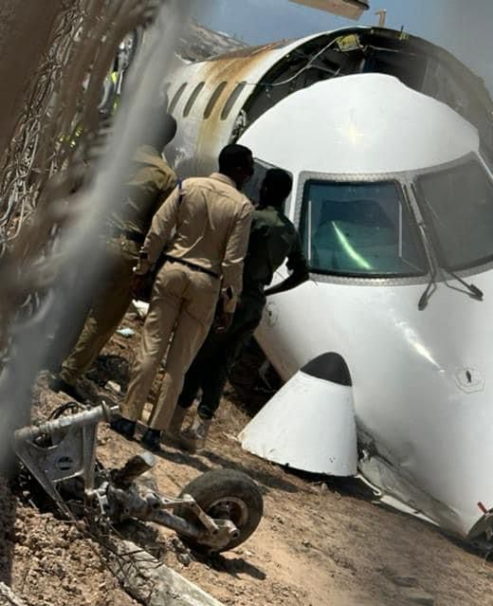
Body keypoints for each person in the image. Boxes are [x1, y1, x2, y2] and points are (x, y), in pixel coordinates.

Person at [110, 144, 255, 451]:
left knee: (151, 346)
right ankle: (155, 430)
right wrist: (229, 304)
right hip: (206, 283)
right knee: (180, 361)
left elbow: (159, 229)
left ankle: (127, 417)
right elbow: (233, 261)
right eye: (249, 167)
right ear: (240, 171)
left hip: (173, 270)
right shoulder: (242, 207)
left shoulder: (188, 186)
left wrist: (144, 267)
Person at [170, 168, 309, 451]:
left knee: (200, 356)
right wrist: (268, 291)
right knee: (223, 365)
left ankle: (175, 419)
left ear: (266, 188)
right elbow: (301, 273)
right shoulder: (289, 231)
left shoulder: (253, 219)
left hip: (231, 297)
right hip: (255, 302)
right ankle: (200, 428)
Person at [50, 113, 178, 401]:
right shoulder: (165, 176)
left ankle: (52, 357)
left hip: (91, 238)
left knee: (75, 301)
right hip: (125, 249)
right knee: (104, 316)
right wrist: (146, 267)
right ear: (168, 140)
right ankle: (68, 374)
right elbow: (159, 228)